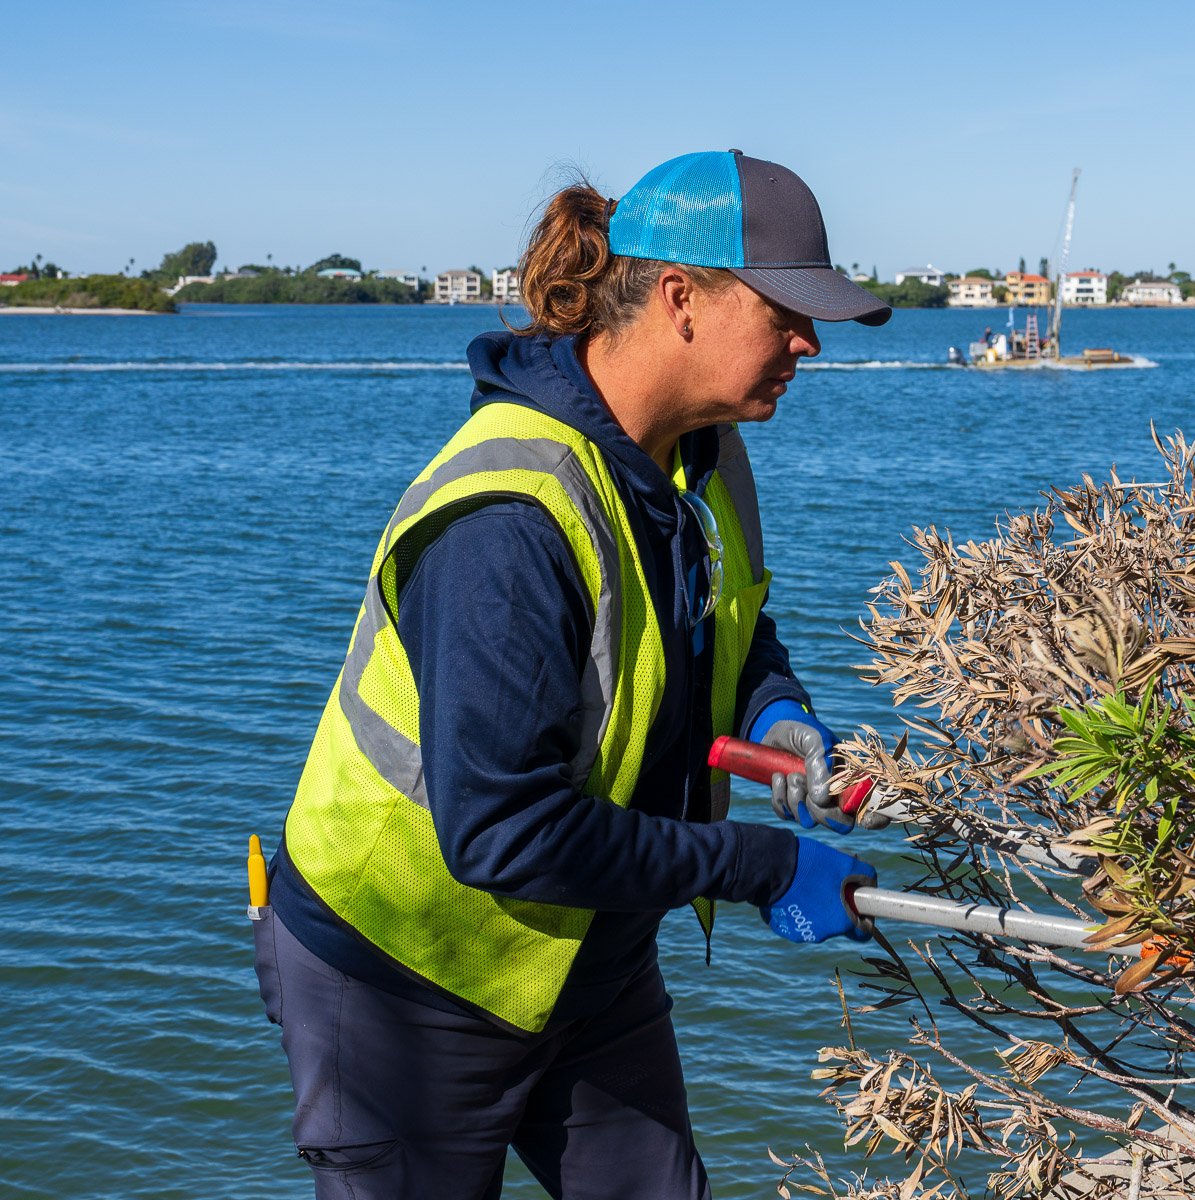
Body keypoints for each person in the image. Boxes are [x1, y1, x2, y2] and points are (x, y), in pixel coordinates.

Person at [252, 150, 893, 1200]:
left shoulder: (705, 451)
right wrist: (757, 866)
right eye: (787, 313)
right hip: (402, 981)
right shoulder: (509, 519)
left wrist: (773, 707)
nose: (808, 344)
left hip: (587, 955)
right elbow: (502, 828)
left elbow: (727, 615)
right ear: (681, 298)